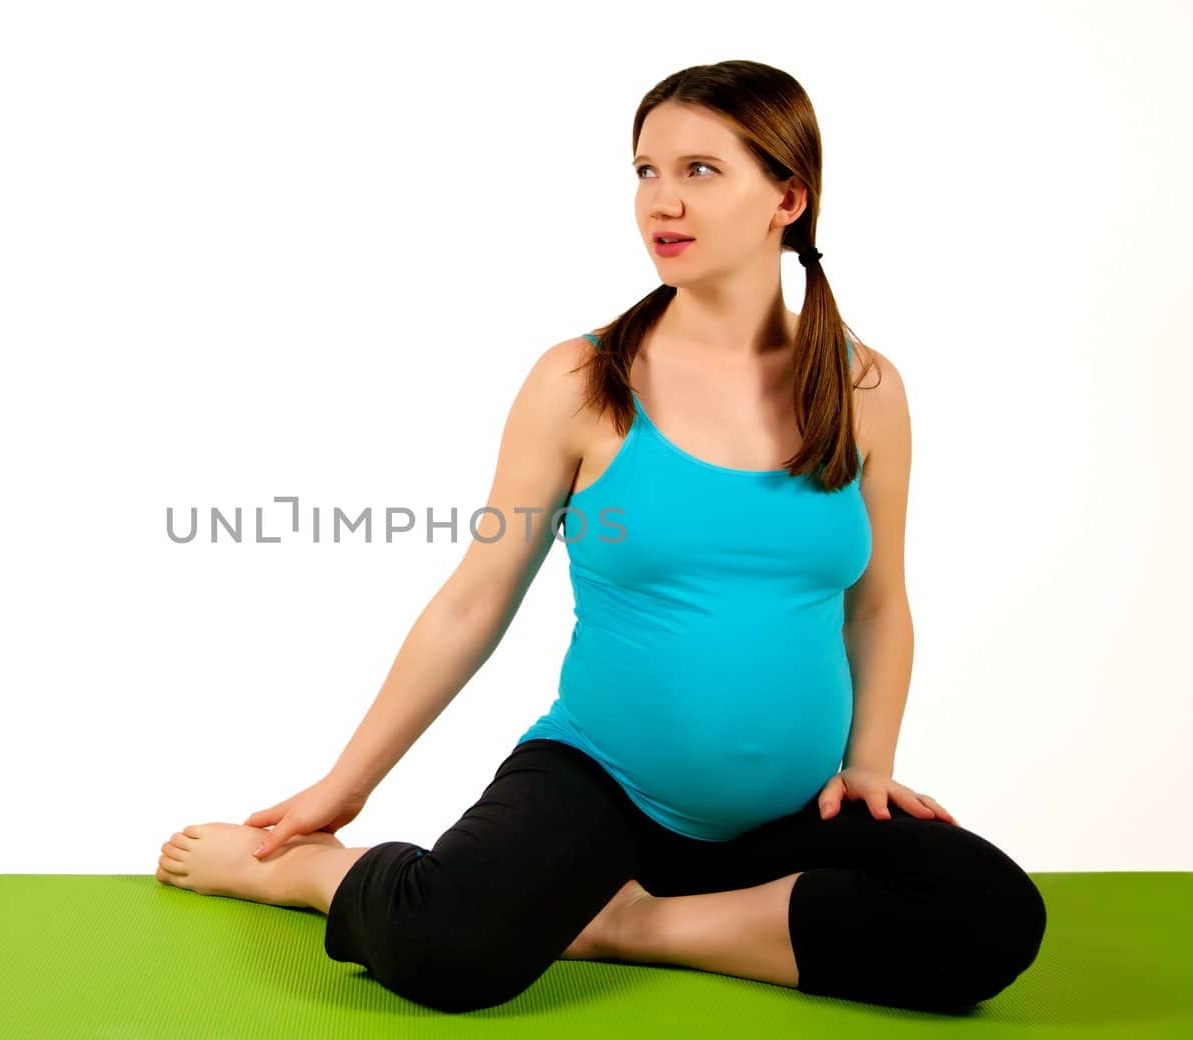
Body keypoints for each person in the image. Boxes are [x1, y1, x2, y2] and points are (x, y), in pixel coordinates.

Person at [153, 59, 1046, 1015]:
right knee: (450, 955)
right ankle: (320, 877)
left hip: (793, 811)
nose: (663, 201)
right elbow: (474, 600)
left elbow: (877, 603)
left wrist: (869, 767)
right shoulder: (579, 383)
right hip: (604, 786)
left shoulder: (866, 390)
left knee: (991, 917)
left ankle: (623, 924)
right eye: (645, 170)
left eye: (701, 170)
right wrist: (345, 785)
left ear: (788, 194)